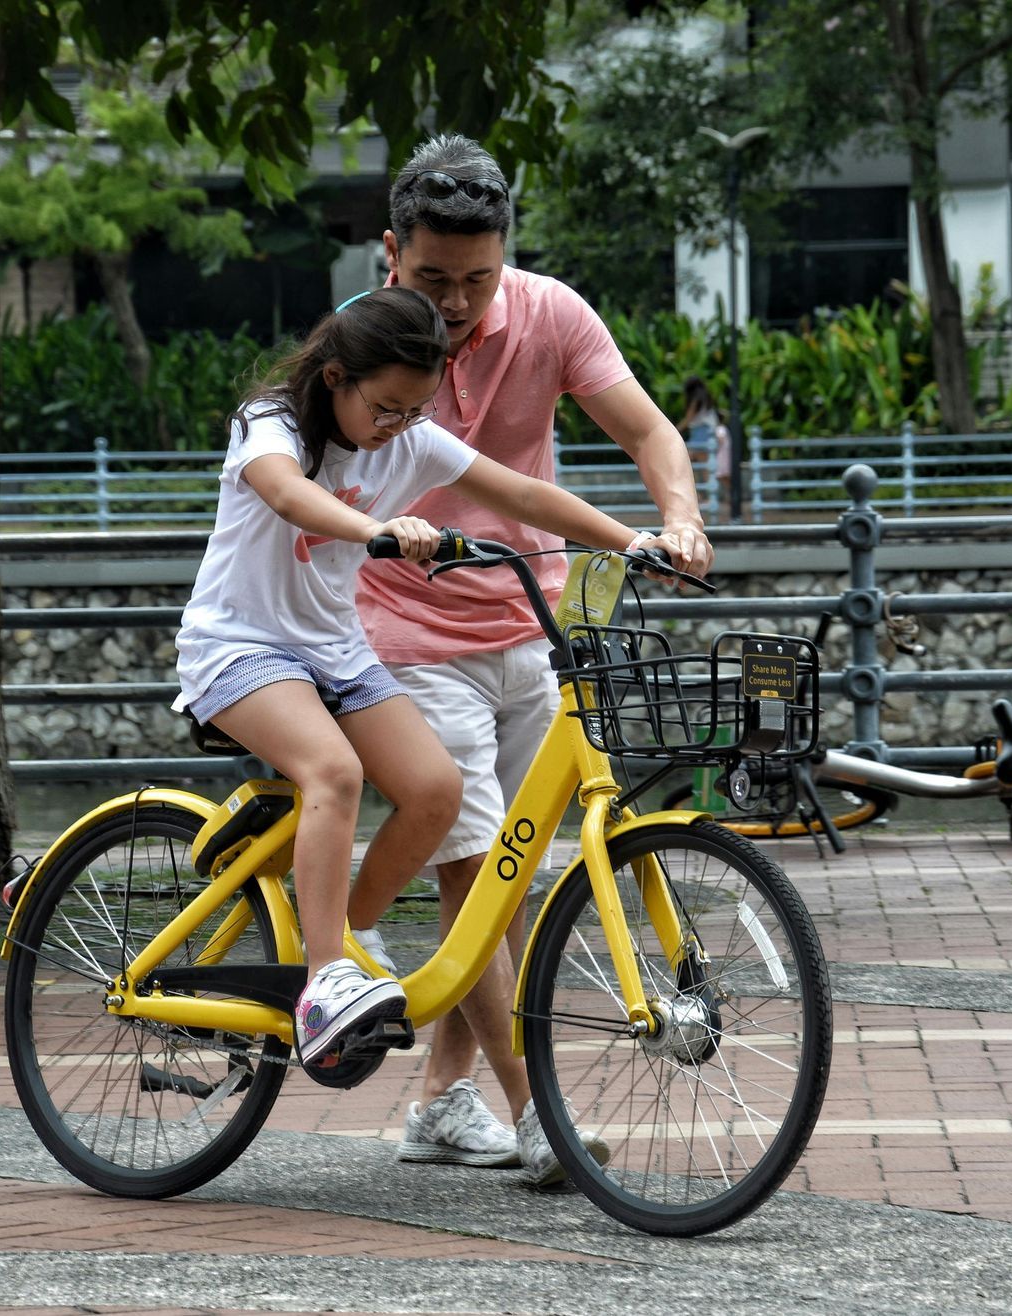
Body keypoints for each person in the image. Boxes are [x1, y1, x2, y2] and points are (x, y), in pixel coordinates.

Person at [348, 134, 713, 1187]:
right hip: (404, 634)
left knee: (506, 886)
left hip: (530, 623)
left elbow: (647, 429)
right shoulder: (366, 338)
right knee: (477, 869)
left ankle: (437, 1103)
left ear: (506, 256)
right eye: (432, 279)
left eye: (477, 278)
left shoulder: (551, 313)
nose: (457, 303)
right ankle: (535, 1107)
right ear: (391, 254)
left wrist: (677, 519)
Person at [172, 286, 651, 1076]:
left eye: (415, 409)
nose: (399, 426)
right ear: (335, 378)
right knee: (334, 771)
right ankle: (325, 981)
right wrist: (376, 529)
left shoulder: (412, 439)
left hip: (333, 648)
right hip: (239, 645)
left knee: (436, 790)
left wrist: (636, 541)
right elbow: (289, 494)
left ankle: (342, 933)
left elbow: (525, 494)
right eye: (386, 408)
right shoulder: (270, 423)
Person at [678, 375, 730, 513]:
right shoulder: (706, 397)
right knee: (696, 464)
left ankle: (706, 497)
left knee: (696, 465)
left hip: (700, 434)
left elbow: (689, 418)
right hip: (705, 433)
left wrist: (675, 430)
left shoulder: (695, 399)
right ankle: (702, 496)